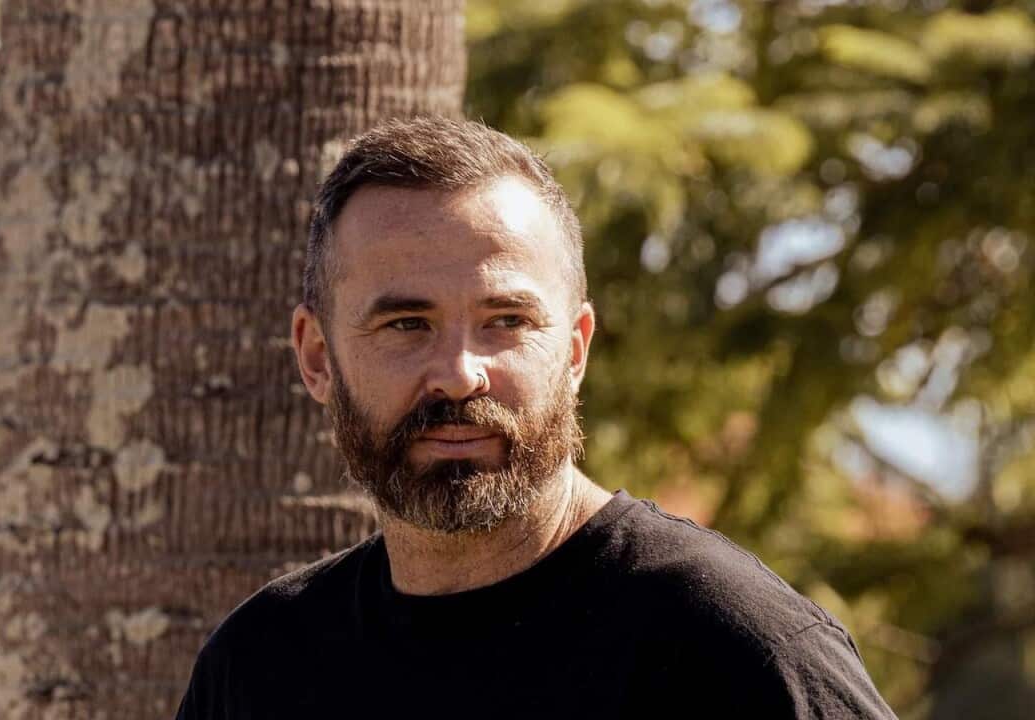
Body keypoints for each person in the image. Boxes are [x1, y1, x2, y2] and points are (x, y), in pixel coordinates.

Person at [174, 117, 897, 719]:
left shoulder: (734, 651)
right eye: (405, 324)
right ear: (317, 358)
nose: (460, 373)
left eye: (507, 321)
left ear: (576, 349)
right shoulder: (258, 667)